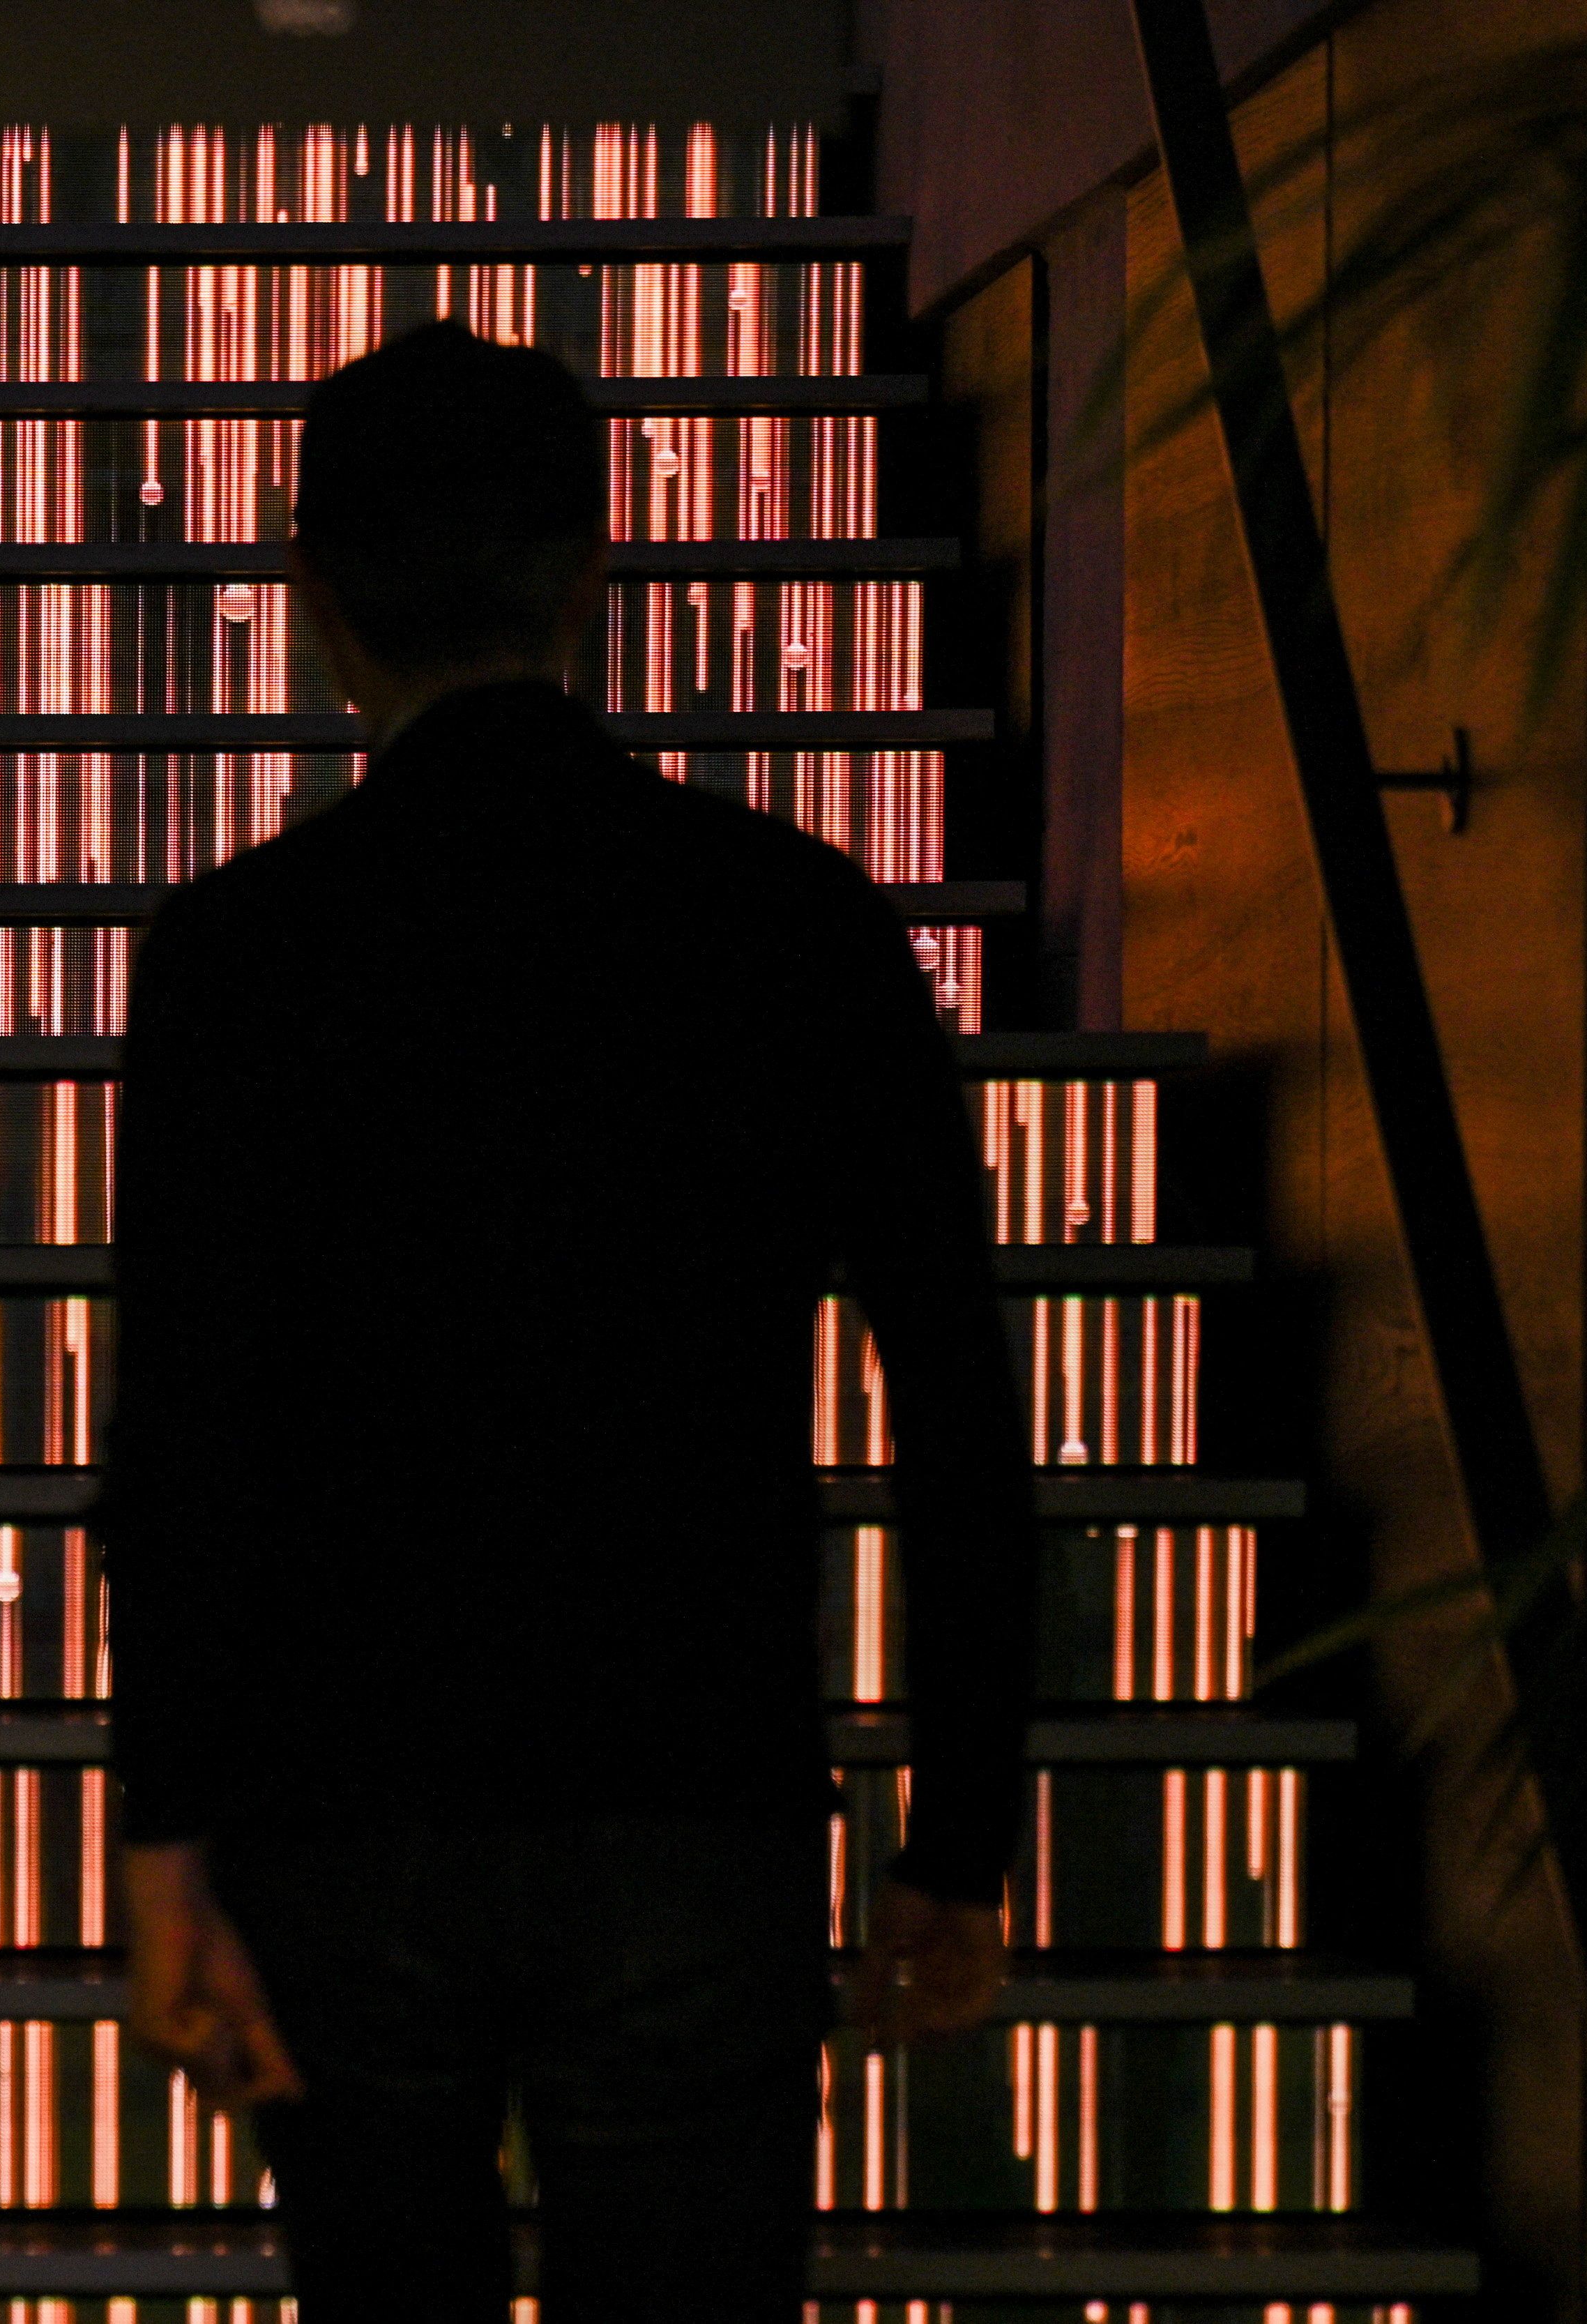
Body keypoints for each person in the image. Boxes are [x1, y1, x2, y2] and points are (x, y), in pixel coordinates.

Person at [98, 321, 1039, 2324]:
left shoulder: (240, 958)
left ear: (316, 594)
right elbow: (958, 1391)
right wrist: (961, 1829)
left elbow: (184, 1431)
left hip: (344, 1812)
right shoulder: (796, 922)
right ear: (594, 576)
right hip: (692, 1792)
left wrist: (166, 1834)